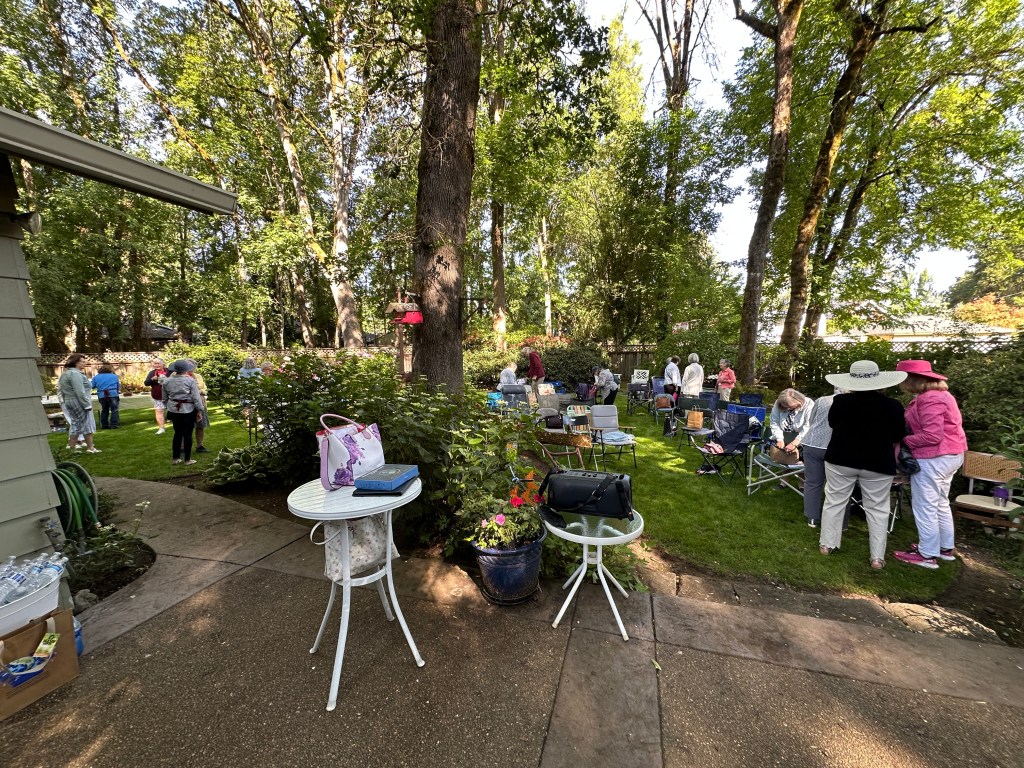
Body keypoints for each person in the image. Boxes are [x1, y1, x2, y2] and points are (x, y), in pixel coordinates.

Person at [818, 360, 907, 570]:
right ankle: (877, 557)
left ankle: (827, 544)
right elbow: (898, 435)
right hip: (878, 462)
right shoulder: (893, 406)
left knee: (834, 501)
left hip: (841, 458)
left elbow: (833, 423)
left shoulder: (841, 401)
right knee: (877, 508)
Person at [891, 360, 968, 569]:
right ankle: (944, 548)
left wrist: (903, 441)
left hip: (934, 457)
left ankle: (926, 554)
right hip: (951, 454)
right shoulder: (942, 395)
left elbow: (932, 436)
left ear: (911, 380)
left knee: (925, 505)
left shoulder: (930, 399)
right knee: (940, 502)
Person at [800, 388, 846, 528]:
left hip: (813, 443)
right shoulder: (852, 403)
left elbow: (811, 420)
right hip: (836, 446)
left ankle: (812, 518)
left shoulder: (821, 400)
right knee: (840, 486)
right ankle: (841, 521)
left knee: (812, 483)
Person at [162, 359, 203, 465]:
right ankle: (187, 460)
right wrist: (199, 410)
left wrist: (169, 407)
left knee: (177, 433)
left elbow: (164, 398)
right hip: (188, 410)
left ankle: (175, 458)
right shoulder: (190, 380)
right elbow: (196, 398)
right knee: (188, 434)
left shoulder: (167, 381)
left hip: (174, 410)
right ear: (186, 369)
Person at [58, 353, 100, 453]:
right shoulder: (75, 374)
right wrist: (86, 405)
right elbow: (79, 391)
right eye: (82, 362)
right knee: (86, 423)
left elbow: (62, 391)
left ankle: (72, 448)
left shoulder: (65, 374)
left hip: (68, 401)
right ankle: (90, 448)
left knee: (75, 424)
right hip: (78, 401)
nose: (85, 363)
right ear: (75, 363)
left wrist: (66, 401)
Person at [769, 388, 814, 453]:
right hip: (784, 436)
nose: (787, 409)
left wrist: (795, 443)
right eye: (785, 407)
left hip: (802, 439)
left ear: (798, 401)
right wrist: (779, 439)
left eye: (790, 406)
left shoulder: (809, 404)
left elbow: (808, 426)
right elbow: (774, 422)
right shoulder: (779, 402)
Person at [187, 359, 210, 454]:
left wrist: (200, 391)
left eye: (193, 366)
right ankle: (183, 447)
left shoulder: (198, 376)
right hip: (187, 404)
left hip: (200, 403)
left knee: (200, 425)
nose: (191, 368)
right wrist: (196, 391)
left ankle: (200, 446)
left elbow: (205, 389)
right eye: (188, 366)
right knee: (186, 427)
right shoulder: (178, 376)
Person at [91, 365, 121, 429]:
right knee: (114, 410)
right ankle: (113, 424)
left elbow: (92, 386)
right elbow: (118, 386)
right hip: (113, 394)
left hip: (102, 395)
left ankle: (104, 425)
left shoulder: (96, 377)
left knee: (104, 410)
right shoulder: (114, 376)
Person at [144, 358, 169, 434]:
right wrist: (152, 379)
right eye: (155, 363)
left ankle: (179, 427)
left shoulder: (169, 371)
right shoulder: (152, 372)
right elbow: (146, 383)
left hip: (170, 395)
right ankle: (161, 428)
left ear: (163, 364)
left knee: (174, 411)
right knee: (159, 411)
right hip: (157, 395)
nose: (156, 365)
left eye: (158, 363)